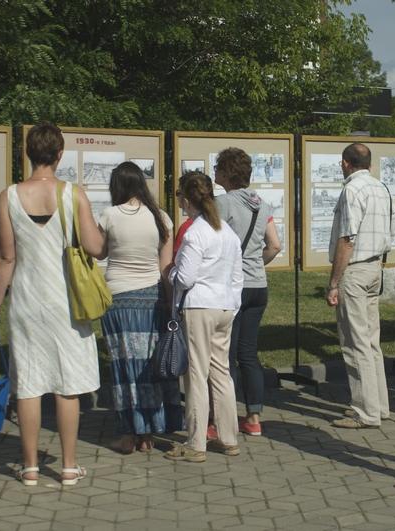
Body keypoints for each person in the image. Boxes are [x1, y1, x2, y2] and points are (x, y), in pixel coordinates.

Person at [0, 123, 103, 486]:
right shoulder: (74, 194)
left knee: (29, 384)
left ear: (28, 154)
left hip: (26, 301)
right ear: (60, 155)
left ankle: (30, 467)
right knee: (67, 384)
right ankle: (68, 466)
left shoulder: (9, 197)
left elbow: (7, 257)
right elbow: (95, 247)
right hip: (67, 301)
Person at [97, 161, 182, 454]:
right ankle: (149, 432)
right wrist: (170, 303)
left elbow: (99, 252)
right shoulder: (161, 218)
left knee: (124, 367)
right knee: (150, 366)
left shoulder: (109, 215)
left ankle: (129, 434)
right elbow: (166, 267)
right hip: (152, 298)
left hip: (118, 299)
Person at [165, 172, 243, 462]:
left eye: (180, 197)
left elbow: (185, 277)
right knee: (221, 372)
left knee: (197, 374)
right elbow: (237, 276)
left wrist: (170, 273)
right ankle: (229, 438)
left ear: (187, 200)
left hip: (199, 306)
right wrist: (233, 304)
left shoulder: (195, 232)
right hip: (224, 306)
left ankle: (196, 443)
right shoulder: (227, 231)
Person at [214, 148, 282, 436]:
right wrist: (254, 264)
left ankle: (223, 419)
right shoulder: (261, 204)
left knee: (225, 355)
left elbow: (212, 242)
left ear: (227, 172)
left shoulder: (223, 203)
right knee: (249, 354)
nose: (214, 172)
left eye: (217, 167)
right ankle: (253, 417)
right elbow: (275, 245)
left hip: (234, 288)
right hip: (258, 286)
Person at [326, 143, 393, 429]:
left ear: (345, 163)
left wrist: (334, 282)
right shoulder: (381, 188)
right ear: (369, 163)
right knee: (371, 340)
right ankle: (379, 406)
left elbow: (347, 239)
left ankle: (365, 411)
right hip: (375, 266)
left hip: (355, 269)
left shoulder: (352, 190)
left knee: (355, 342)